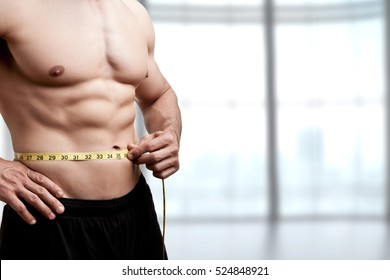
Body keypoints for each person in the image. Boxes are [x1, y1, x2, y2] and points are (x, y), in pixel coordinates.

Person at [0, 0, 181, 260]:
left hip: (136, 209)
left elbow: (158, 95)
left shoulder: (133, 12)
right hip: (47, 213)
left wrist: (169, 133)